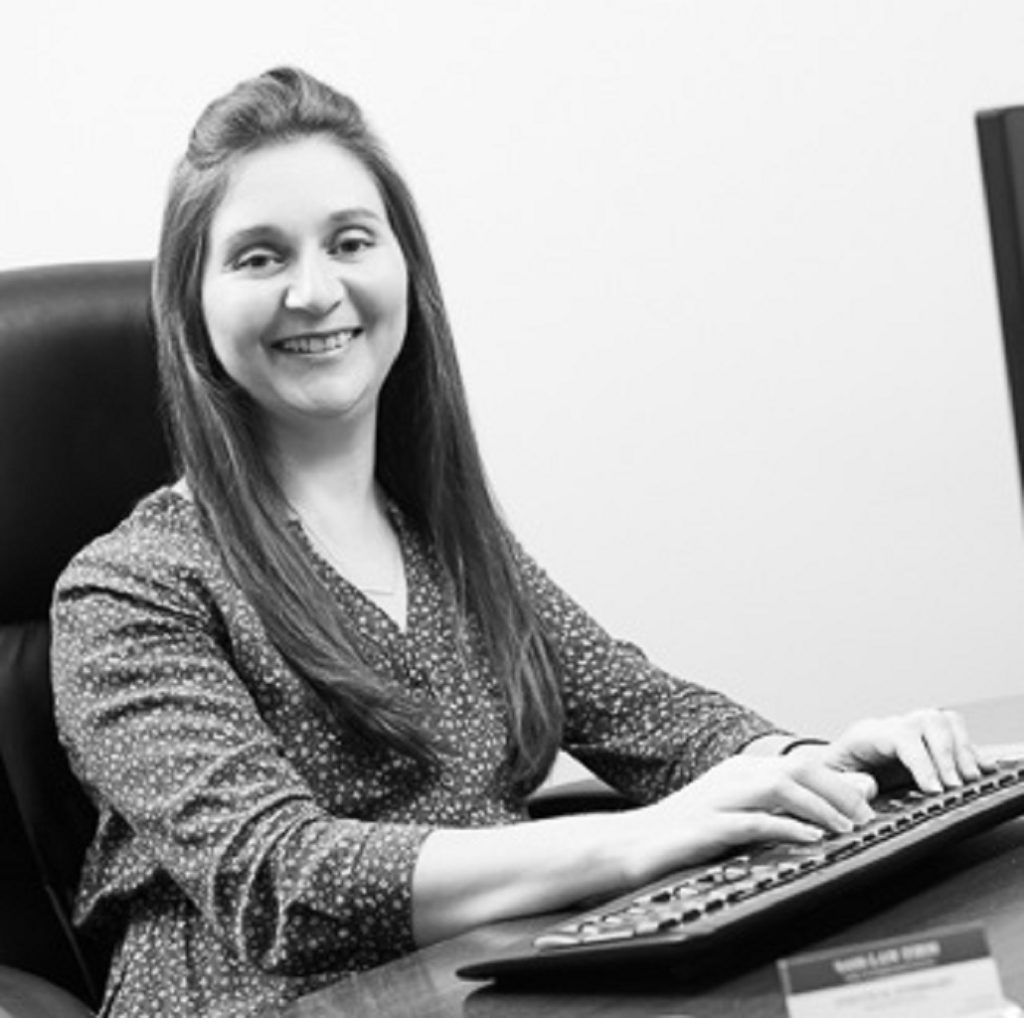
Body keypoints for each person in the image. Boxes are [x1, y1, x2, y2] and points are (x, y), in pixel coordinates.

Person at [51, 66, 991, 1018]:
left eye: (349, 242)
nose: (314, 289)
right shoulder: (130, 589)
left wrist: (820, 760)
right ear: (191, 307)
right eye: (258, 257)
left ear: (403, 269)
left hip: (500, 988)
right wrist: (635, 842)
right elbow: (281, 883)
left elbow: (655, 719)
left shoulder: (449, 545)